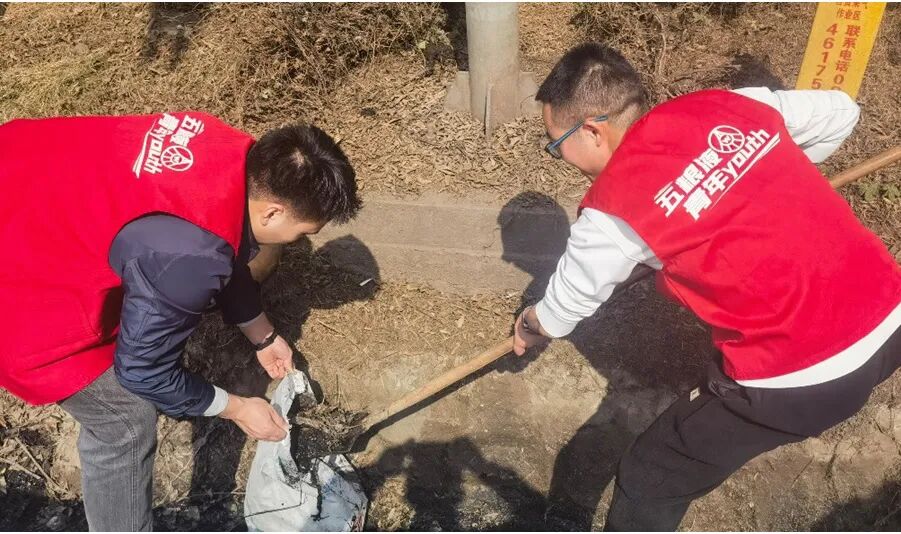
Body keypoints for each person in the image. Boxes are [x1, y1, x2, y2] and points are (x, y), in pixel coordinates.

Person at [511, 43, 901, 531]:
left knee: (651, 476)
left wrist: (529, 325)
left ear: (592, 130)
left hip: (800, 377)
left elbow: (564, 309)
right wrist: (762, 180)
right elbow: (842, 113)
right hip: (890, 315)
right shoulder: (726, 104)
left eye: (556, 144)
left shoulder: (610, 210)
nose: (559, 157)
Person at [0, 112, 361, 530]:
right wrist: (238, 408)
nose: (297, 243)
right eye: (301, 234)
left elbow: (220, 236)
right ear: (273, 213)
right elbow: (143, 371)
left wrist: (262, 334)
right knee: (125, 419)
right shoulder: (186, 258)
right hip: (18, 275)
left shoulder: (226, 147)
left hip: (20, 173)